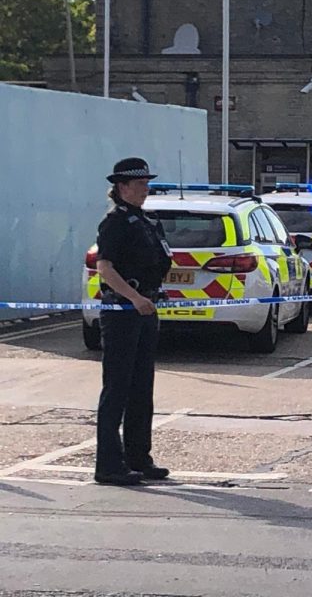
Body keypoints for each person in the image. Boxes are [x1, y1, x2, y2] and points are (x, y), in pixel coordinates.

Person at [94, 158, 172, 486]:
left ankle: (139, 457)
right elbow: (105, 269)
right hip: (122, 313)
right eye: (140, 184)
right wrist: (134, 298)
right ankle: (109, 465)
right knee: (118, 389)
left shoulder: (146, 221)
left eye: (146, 184)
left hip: (145, 310)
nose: (146, 189)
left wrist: (155, 293)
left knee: (142, 387)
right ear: (122, 187)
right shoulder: (115, 223)